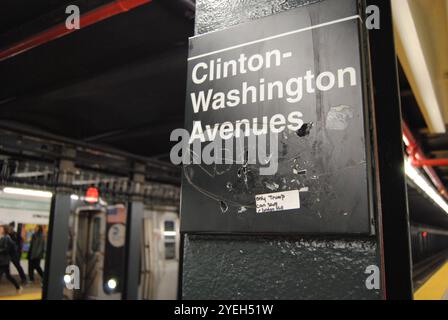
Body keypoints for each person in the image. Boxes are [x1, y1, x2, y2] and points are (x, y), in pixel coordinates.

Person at [0, 225, 22, 293]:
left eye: (1, 229)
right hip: (2, 260)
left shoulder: (6, 238)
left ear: (4, 230)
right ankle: (18, 287)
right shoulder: (2, 237)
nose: (0, 230)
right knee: (8, 276)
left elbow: (6, 249)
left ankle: (18, 287)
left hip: (4, 261)